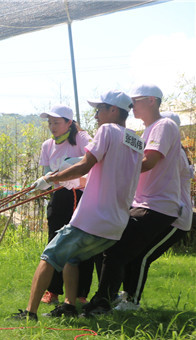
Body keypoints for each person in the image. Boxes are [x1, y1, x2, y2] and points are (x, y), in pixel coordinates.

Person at [11, 90, 143, 321]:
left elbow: (84, 165)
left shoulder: (107, 130)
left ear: (113, 110)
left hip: (93, 218)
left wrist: (51, 178)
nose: (96, 116)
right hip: (116, 223)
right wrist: (68, 178)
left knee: (49, 256)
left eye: (99, 110)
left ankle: (30, 314)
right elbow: (107, 170)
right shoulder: (136, 140)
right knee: (71, 258)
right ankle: (69, 306)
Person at [82, 84, 183, 316]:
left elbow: (149, 162)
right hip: (141, 203)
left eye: (135, 101)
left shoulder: (163, 125)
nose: (131, 105)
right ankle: (109, 298)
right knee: (109, 244)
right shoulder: (146, 131)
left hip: (156, 205)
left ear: (151, 101)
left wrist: (114, 168)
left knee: (116, 250)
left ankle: (104, 302)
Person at [116, 111, 193, 310]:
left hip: (177, 219)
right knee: (133, 252)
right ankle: (126, 294)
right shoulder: (171, 153)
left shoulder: (175, 157)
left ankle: (132, 301)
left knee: (143, 256)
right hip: (165, 212)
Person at [37, 105, 94, 305]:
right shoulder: (47, 145)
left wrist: (70, 165)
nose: (52, 127)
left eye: (56, 122)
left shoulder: (81, 137)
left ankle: (80, 294)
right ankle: (53, 291)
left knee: (82, 243)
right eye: (50, 123)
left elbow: (93, 157)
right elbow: (47, 174)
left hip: (81, 195)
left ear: (69, 123)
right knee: (55, 242)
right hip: (59, 196)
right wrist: (44, 181)